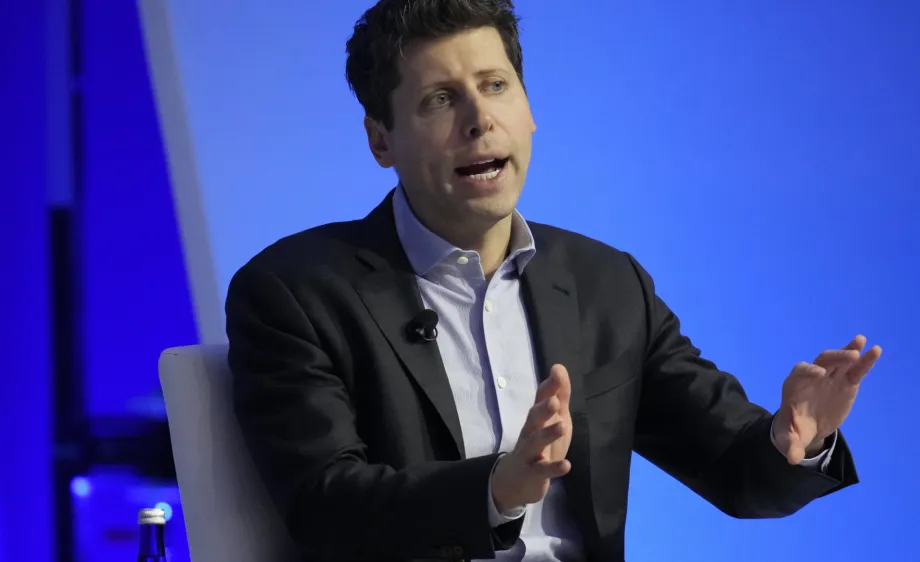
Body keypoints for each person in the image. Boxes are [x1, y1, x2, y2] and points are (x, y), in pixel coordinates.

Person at [225, 1, 882, 560]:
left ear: (530, 108)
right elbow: (325, 511)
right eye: (439, 100)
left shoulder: (605, 284)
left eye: (496, 85)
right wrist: (496, 489)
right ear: (380, 140)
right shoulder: (296, 292)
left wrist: (797, 440)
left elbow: (739, 477)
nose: (479, 120)